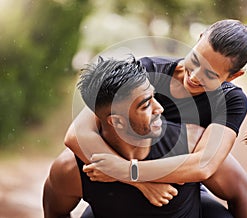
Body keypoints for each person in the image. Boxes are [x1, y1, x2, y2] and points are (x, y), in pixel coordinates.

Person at [65, 19, 247, 217]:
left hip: (182, 187)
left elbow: (203, 164)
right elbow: (76, 134)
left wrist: (129, 171)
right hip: (120, 179)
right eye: (195, 59)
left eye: (210, 74)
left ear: (233, 76)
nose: (194, 76)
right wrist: (139, 182)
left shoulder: (230, 101)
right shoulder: (148, 71)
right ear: (199, 39)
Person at [43, 56, 234, 217]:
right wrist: (142, 183)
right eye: (145, 105)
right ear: (117, 121)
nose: (160, 108)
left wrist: (131, 174)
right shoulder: (71, 169)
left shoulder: (192, 141)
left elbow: (241, 192)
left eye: (154, 97)